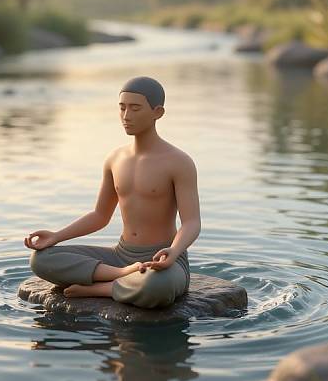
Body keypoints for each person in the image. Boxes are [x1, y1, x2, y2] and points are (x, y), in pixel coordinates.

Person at [23, 76, 201, 309]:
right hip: (121, 256)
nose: (126, 116)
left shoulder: (179, 162)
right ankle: (122, 274)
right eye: (122, 107)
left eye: (135, 108)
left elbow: (191, 222)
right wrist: (56, 236)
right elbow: (100, 215)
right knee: (41, 259)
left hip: (164, 260)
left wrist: (174, 251)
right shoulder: (115, 159)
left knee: (158, 286)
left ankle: (103, 288)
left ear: (158, 112)